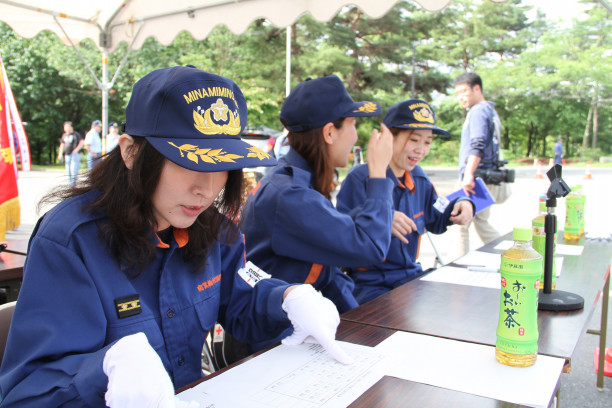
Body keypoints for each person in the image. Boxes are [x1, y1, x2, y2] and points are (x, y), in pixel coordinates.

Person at [0, 66, 352, 407]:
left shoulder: (214, 230)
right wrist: (103, 370)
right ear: (131, 152)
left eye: (221, 167)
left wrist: (287, 297)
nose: (206, 189)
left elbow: (242, 296)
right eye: (189, 164)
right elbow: (26, 393)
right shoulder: (69, 242)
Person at [240, 75, 394, 351]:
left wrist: (364, 324)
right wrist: (379, 173)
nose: (357, 135)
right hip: (275, 341)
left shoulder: (297, 183)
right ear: (329, 133)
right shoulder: (290, 195)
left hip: (298, 327)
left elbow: (327, 273)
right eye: (353, 124)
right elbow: (371, 246)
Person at [337, 99, 474, 304]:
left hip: (411, 278)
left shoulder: (419, 178)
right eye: (414, 140)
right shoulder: (361, 178)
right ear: (388, 137)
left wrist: (462, 202)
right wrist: (377, 219)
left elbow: (437, 214)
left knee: (462, 303)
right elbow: (339, 230)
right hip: (370, 285)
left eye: (427, 142)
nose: (420, 149)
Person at [453, 72, 508, 257]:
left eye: (463, 91)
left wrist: (468, 175)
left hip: (476, 178)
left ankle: (457, 266)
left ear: (477, 88)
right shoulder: (490, 111)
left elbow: (478, 144)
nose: (460, 97)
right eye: (457, 93)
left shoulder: (477, 111)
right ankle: (511, 254)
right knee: (481, 222)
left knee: (460, 223)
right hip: (486, 176)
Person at [57, 120, 84, 186]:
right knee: (68, 170)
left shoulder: (76, 134)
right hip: (67, 154)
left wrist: (77, 149)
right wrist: (60, 153)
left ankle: (73, 184)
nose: (66, 128)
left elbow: (81, 142)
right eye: (65, 127)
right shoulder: (64, 135)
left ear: (71, 127)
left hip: (74, 154)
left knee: (73, 170)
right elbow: (62, 144)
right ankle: (71, 183)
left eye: (67, 127)